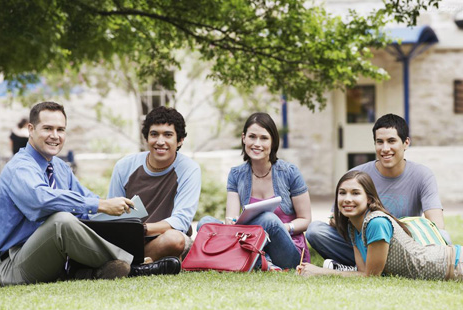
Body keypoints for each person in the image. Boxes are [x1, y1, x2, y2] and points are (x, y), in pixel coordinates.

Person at [0, 101, 180, 287]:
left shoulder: (59, 168)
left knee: (93, 219)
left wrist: (115, 212)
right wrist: (99, 205)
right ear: (31, 130)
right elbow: (41, 201)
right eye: (47, 128)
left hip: (54, 259)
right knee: (62, 222)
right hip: (13, 264)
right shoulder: (20, 167)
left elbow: (87, 205)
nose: (55, 135)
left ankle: (96, 271)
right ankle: (136, 266)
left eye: (60, 129)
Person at [306, 113, 450, 267]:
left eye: (391, 141)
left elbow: (436, 224)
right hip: (364, 244)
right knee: (315, 231)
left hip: (404, 248)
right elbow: (336, 218)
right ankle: (369, 265)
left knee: (443, 236)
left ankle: (361, 268)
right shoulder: (357, 174)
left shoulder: (422, 175)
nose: (385, 148)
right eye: (379, 142)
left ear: (406, 142)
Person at [297, 171, 462, 280]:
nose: (347, 199)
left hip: (454, 264)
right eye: (342, 193)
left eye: (355, 193)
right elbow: (362, 272)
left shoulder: (377, 222)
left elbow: (371, 276)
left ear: (369, 198)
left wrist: (321, 272)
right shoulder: (353, 227)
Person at [198, 112, 312, 270]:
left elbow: (305, 219)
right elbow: (231, 218)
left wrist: (280, 227)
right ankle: (261, 263)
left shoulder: (290, 172)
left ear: (273, 142)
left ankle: (258, 262)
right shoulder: (236, 174)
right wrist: (232, 221)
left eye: (264, 138)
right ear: (244, 138)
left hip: (288, 250)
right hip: (251, 242)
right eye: (252, 136)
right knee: (205, 223)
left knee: (269, 219)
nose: (257, 143)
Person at [108, 106, 201, 262]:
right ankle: (143, 263)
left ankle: (129, 263)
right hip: (128, 240)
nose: (160, 141)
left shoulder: (189, 169)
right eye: (154, 134)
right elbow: (111, 214)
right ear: (146, 138)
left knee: (175, 239)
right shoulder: (124, 166)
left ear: (180, 140)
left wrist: (142, 230)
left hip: (163, 238)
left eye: (168, 135)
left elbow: (181, 221)